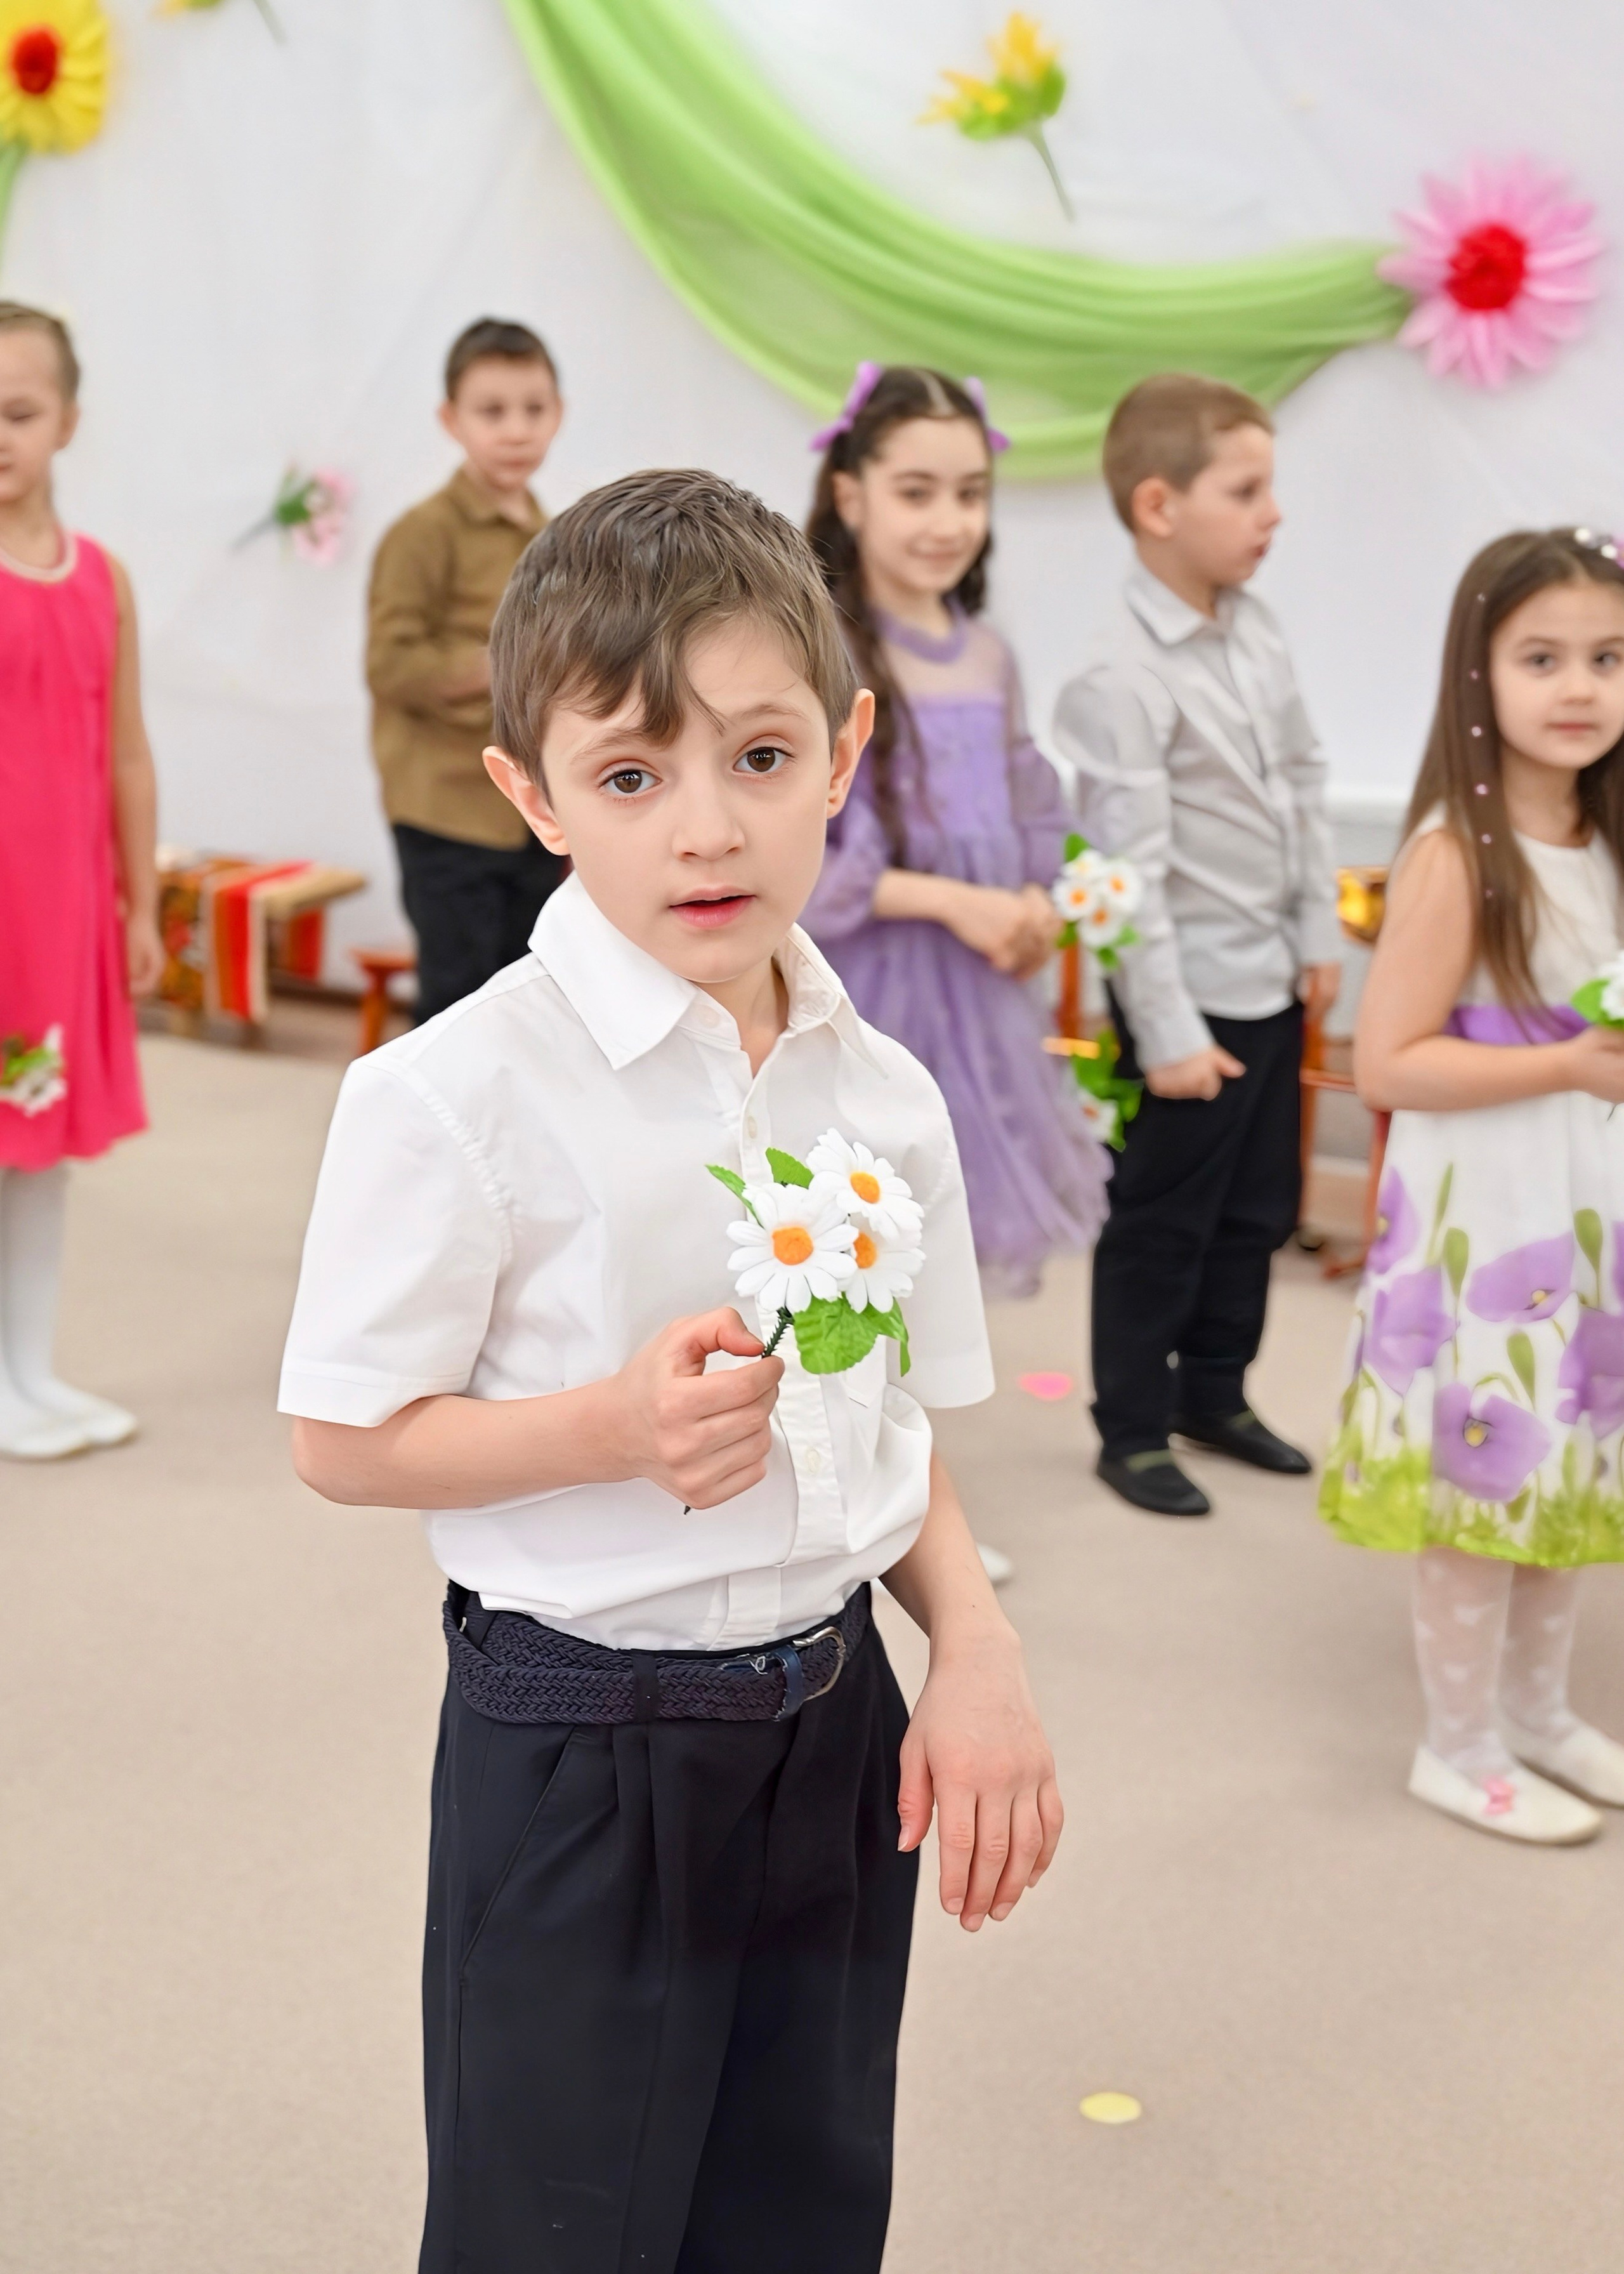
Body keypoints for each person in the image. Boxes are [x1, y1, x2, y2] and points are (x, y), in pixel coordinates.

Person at [280, 468, 1063, 2273]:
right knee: (557, 2227)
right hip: (581, 1747)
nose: (706, 830)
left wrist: (979, 1648)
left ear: (847, 746)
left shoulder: (886, 1093)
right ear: (532, 797)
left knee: (796, 2206)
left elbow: (896, 1425)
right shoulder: (453, 1094)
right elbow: (341, 1438)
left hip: (835, 1725)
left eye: (762, 758)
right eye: (631, 777)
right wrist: (611, 1428)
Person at [1325, 527, 1624, 1844]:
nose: (1578, 686)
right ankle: (1454, 1741)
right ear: (1477, 675)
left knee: (1559, 1469)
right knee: (1481, 1487)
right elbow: (1386, 1057)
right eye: (1541, 656)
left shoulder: (1601, 838)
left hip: (1580, 1203)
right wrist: (1562, 1056)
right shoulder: (1459, 852)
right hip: (1488, 1210)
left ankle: (1539, 1711)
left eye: (1607, 658)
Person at [1053, 373, 1341, 1518]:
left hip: (1270, 974)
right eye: (1249, 488)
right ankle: (1130, 1423)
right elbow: (1125, 880)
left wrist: (1318, 928)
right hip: (1188, 999)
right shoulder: (1118, 674)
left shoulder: (1256, 629)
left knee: (1257, 1208)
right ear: (1160, 505)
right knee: (1166, 1218)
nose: (1274, 513)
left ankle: (1213, 1391)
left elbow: (1309, 781)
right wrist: (1166, 1031)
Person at [798, 362, 1109, 1299]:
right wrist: (951, 902)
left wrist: (1031, 901)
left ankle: (905, 1437)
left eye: (970, 494)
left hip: (975, 995)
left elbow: (1028, 804)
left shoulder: (988, 653)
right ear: (851, 494)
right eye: (916, 492)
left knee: (937, 1245)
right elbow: (804, 856)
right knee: (842, 1229)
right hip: (868, 984)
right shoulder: (822, 649)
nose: (948, 521)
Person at [0, 301, 160, 1462]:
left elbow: (128, 753)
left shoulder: (105, 577)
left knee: (39, 1145)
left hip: (60, 912)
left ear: (68, 420)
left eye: (20, 410)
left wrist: (141, 902)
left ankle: (30, 1371)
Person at [366, 317, 568, 1021]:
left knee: (535, 998)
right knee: (458, 1005)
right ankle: (440, 1134)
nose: (515, 430)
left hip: (532, 809)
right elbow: (390, 667)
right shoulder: (422, 533)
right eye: (492, 412)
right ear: (451, 420)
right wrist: (500, 663)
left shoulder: (558, 537)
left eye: (533, 410)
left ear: (559, 415)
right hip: (445, 809)